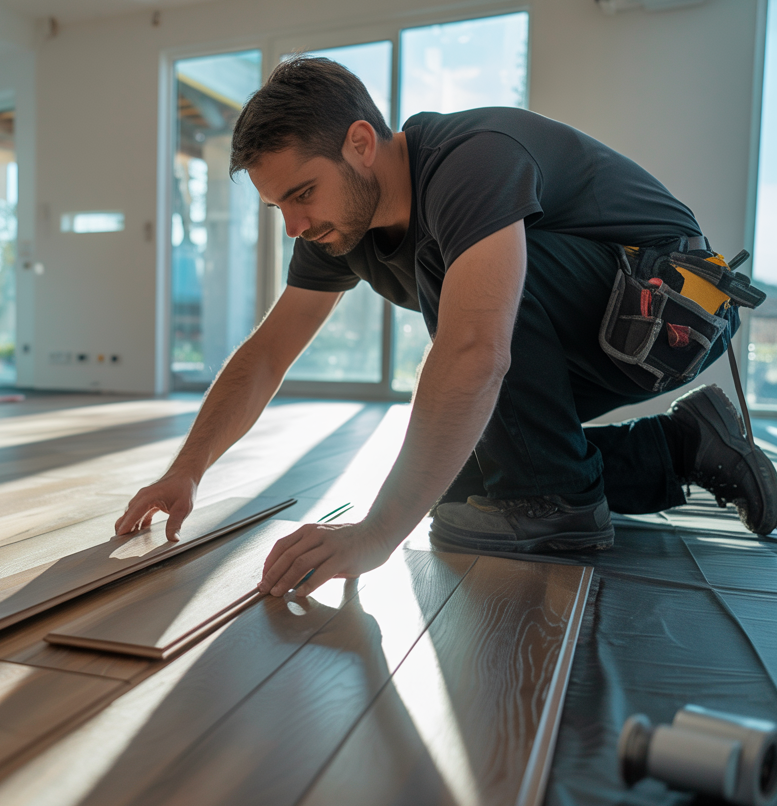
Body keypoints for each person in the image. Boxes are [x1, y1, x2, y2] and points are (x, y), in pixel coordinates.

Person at [114, 56, 777, 598]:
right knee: (460, 498)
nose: (293, 225)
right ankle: (680, 446)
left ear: (361, 143)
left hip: (672, 311)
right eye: (277, 206)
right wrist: (188, 469)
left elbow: (475, 350)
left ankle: (560, 502)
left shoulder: (469, 163)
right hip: (599, 330)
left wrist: (376, 534)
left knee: (461, 282)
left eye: (302, 194)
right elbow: (267, 354)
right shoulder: (336, 226)